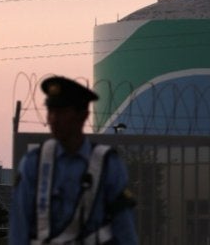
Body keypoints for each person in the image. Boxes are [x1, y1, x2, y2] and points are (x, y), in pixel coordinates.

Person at [9, 76, 137, 244]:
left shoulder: (107, 164)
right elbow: (19, 226)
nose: (53, 119)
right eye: (50, 111)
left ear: (83, 115)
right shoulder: (34, 163)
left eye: (61, 112)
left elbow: (123, 226)